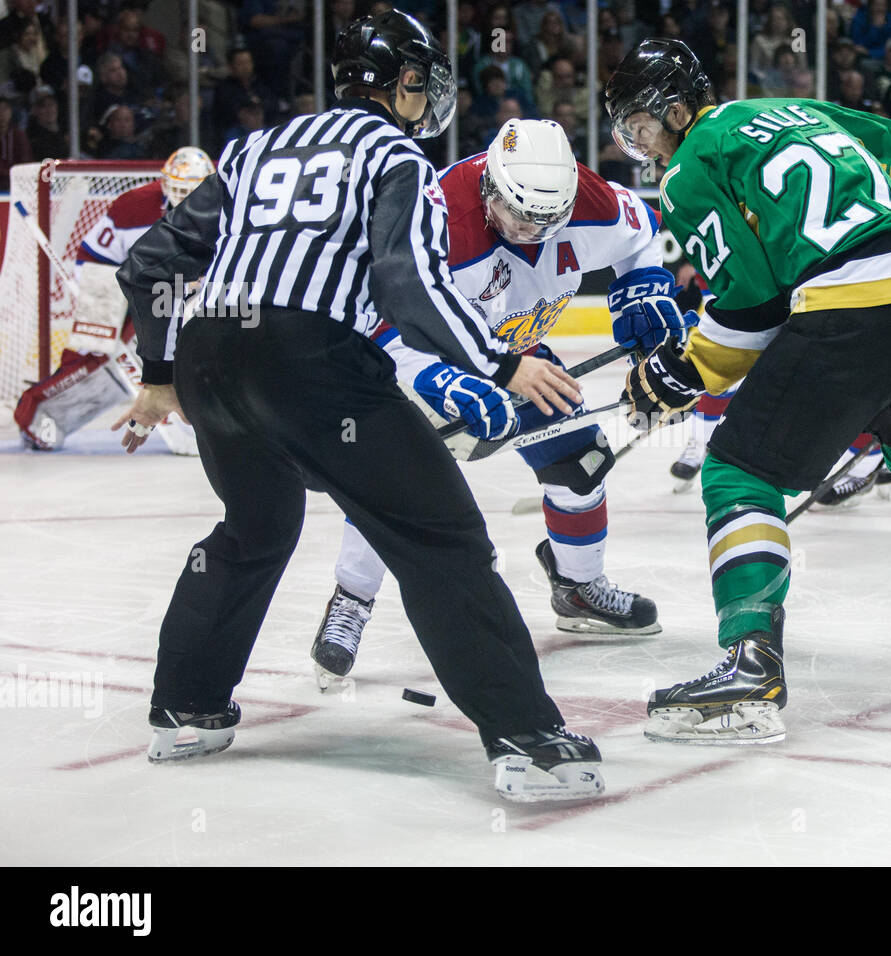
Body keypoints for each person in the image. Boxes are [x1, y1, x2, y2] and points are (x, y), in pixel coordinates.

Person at [111, 11, 603, 802]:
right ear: (402, 82)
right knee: (440, 537)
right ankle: (530, 740)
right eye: (423, 81)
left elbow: (151, 262)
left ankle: (185, 708)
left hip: (213, 357)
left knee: (254, 529)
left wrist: (161, 371)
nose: (429, 97)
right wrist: (499, 362)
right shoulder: (392, 153)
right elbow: (409, 283)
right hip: (308, 363)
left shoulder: (252, 146)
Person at [604, 39, 891, 745]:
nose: (639, 145)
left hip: (858, 312)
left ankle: (751, 663)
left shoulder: (692, 167)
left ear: (674, 109)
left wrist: (680, 375)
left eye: (638, 127)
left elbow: (754, 304)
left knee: (738, 472)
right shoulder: (792, 108)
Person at [311, 117, 679, 685]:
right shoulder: (435, 214)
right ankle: (351, 599)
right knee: (393, 478)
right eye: (518, 216)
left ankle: (577, 587)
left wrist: (644, 288)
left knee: (581, 463)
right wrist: (437, 379)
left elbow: (644, 234)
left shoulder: (587, 199)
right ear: (490, 188)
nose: (531, 232)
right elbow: (371, 313)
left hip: (520, 356)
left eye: (546, 222)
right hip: (429, 357)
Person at [14, 147, 215, 455]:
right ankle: (37, 414)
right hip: (132, 291)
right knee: (90, 354)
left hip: (188, 296)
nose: (186, 198)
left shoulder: (226, 207)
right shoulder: (132, 206)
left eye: (194, 190)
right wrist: (103, 308)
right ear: (164, 184)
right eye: (179, 190)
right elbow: (94, 258)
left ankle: (207, 422)